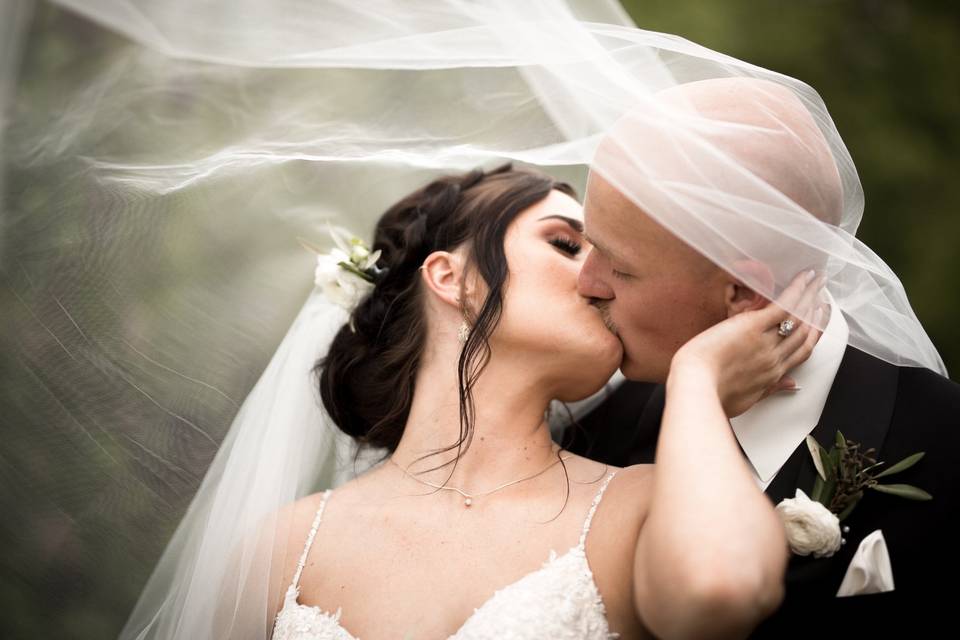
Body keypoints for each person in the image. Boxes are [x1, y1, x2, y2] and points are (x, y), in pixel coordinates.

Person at [264, 164, 823, 639]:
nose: (600, 279)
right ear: (452, 278)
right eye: (566, 245)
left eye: (610, 256)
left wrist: (696, 377)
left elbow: (721, 589)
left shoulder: (640, 507)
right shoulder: (284, 546)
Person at [569, 77, 960, 635]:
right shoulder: (595, 436)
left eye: (620, 267)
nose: (585, 283)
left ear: (745, 293)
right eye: (586, 245)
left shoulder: (947, 440)